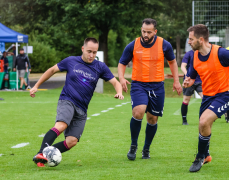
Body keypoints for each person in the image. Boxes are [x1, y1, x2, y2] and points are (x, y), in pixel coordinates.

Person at [31, 37, 124, 167]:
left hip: (82, 109)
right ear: (83, 49)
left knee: (72, 141)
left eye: (94, 52)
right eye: (89, 51)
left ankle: (45, 155)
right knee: (61, 125)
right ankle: (41, 153)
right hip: (67, 100)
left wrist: (119, 92)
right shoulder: (71, 61)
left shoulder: (100, 67)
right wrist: (36, 86)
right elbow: (52, 70)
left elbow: (115, 82)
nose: (92, 55)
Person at [183, 24, 229, 172]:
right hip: (208, 96)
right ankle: (207, 155)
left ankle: (200, 157)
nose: (189, 42)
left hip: (226, 94)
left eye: (191, 39)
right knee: (203, 125)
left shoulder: (221, 53)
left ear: (201, 39)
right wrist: (187, 82)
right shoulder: (195, 57)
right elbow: (191, 77)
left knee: (204, 121)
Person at [118, 18, 182, 160]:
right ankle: (133, 146)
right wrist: (122, 78)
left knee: (152, 119)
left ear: (155, 31)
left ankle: (146, 149)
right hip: (138, 84)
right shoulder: (133, 45)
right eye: (143, 31)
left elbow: (172, 62)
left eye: (149, 32)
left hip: (157, 86)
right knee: (139, 111)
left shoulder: (164, 44)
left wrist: (176, 81)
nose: (145, 34)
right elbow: (122, 63)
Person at [180, 50, 203, 125]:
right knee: (186, 100)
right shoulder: (189, 54)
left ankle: (204, 119)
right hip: (189, 81)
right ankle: (184, 120)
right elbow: (183, 66)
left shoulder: (203, 53)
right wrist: (187, 75)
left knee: (205, 99)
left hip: (200, 80)